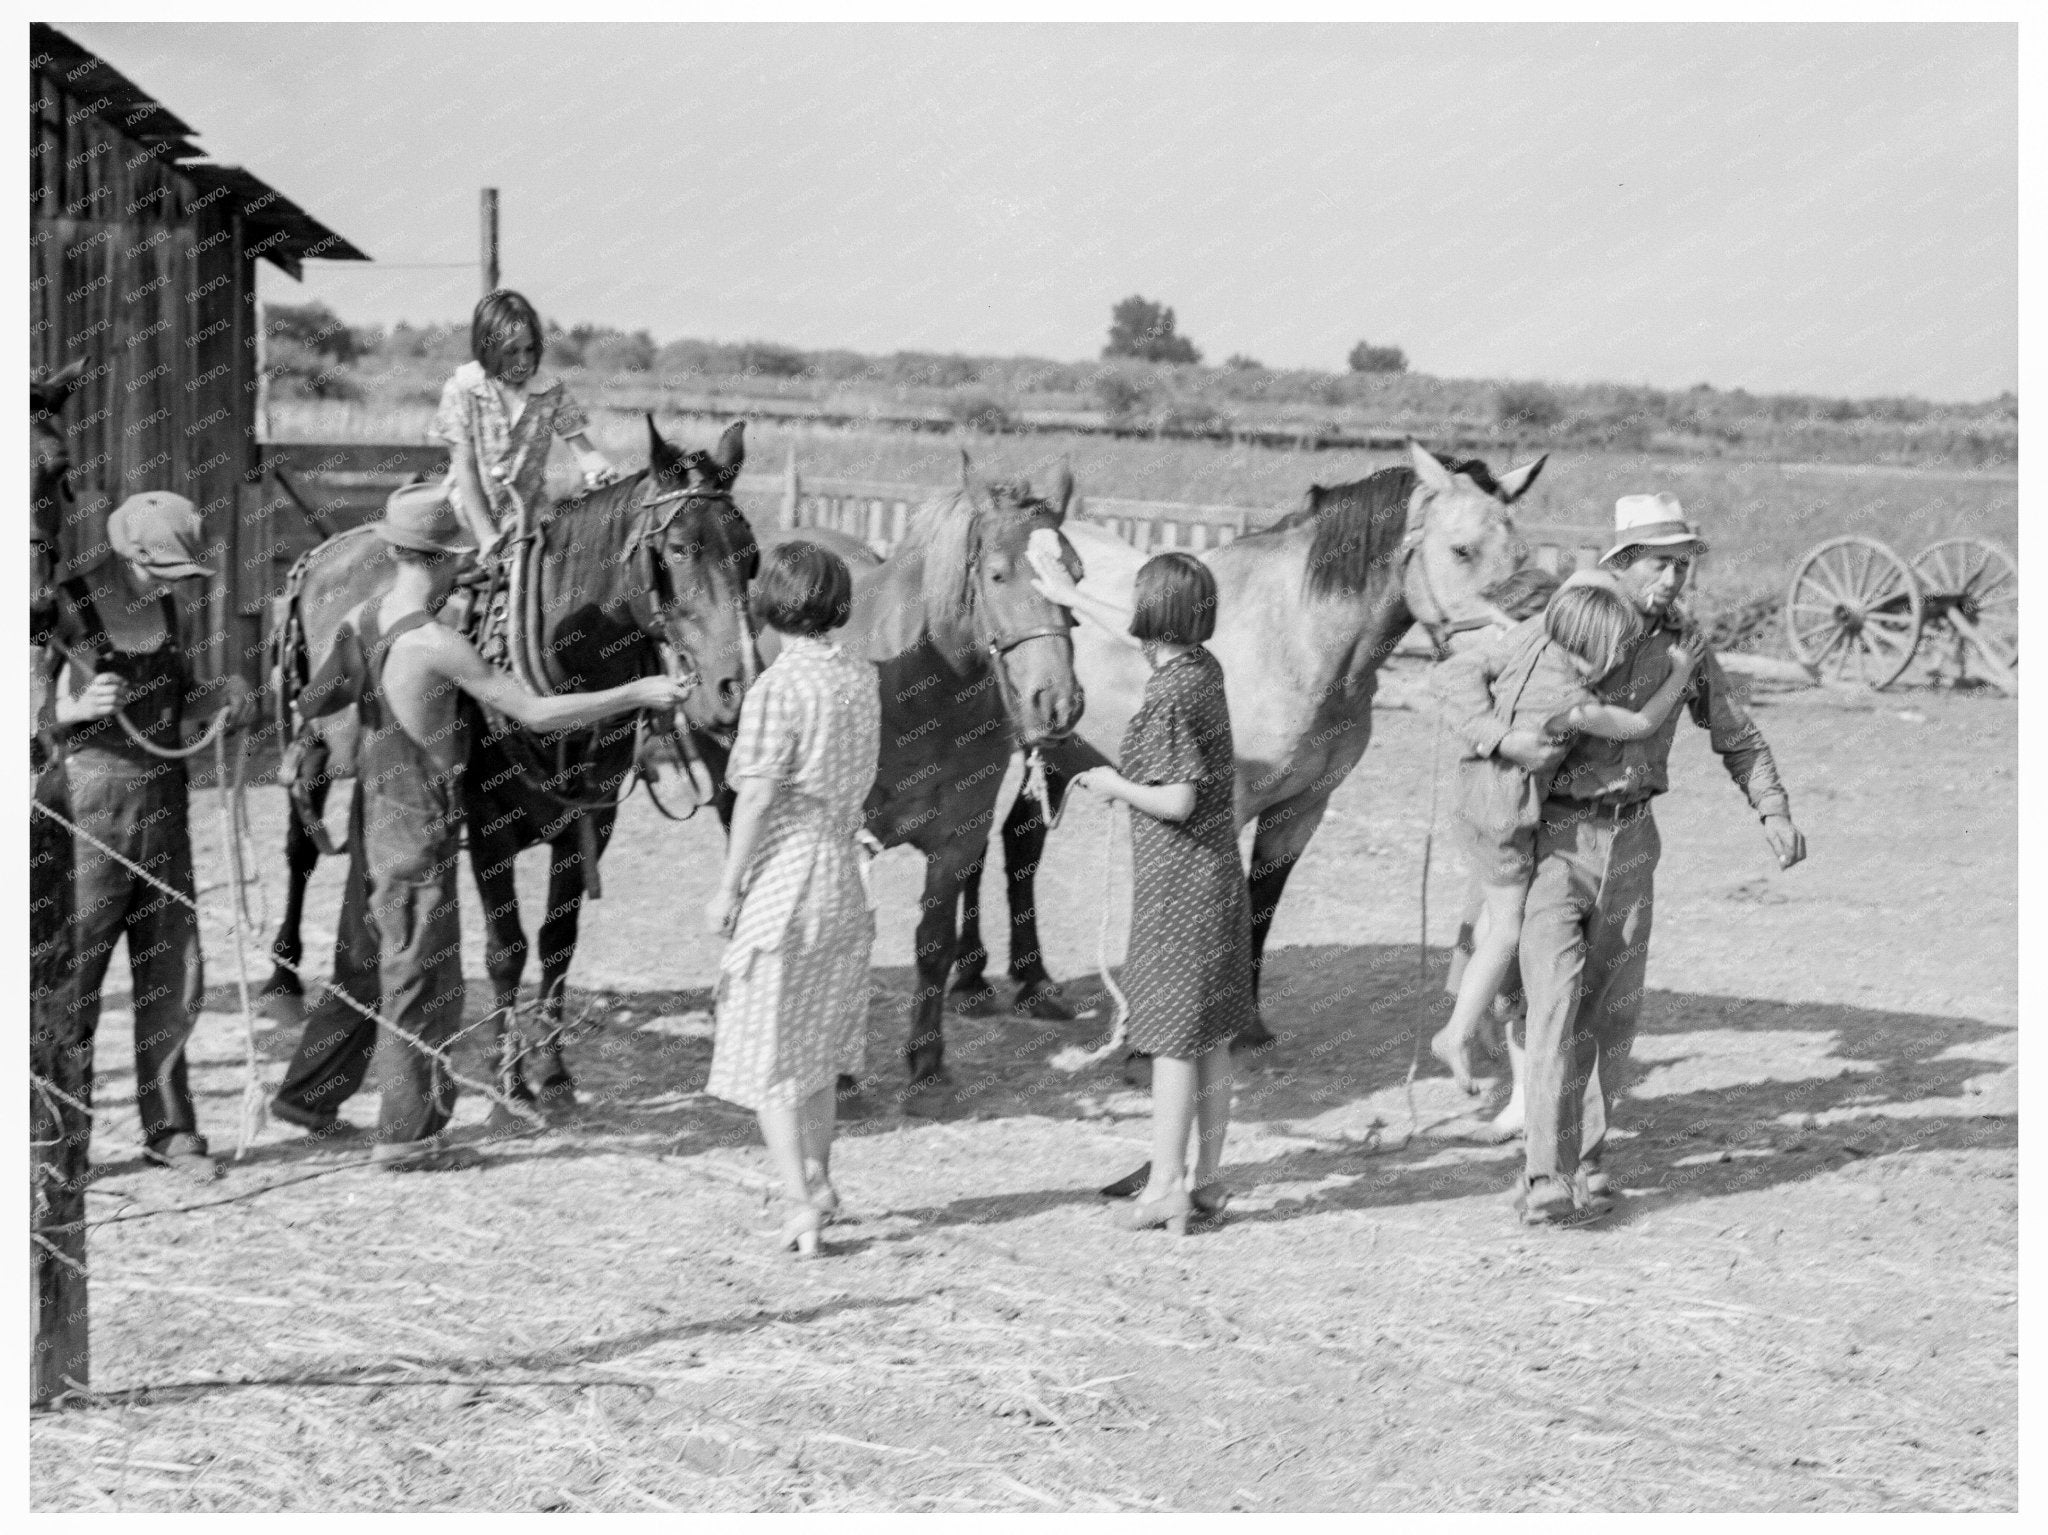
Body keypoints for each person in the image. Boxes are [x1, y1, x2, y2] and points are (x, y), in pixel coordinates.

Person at [270, 483, 693, 1170]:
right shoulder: (439, 643)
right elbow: (533, 711)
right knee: (424, 980)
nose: (463, 572)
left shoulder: (361, 618)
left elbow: (318, 702)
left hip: (372, 809)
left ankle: (307, 1097)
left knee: (360, 963)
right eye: (457, 562)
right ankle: (409, 1138)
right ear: (438, 561)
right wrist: (636, 692)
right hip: (417, 826)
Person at [1438, 494, 1807, 1226]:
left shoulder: (1685, 644)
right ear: (1623, 563)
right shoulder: (1566, 622)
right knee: (1554, 1006)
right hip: (1555, 840)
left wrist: (1773, 808)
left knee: (1611, 1014)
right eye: (1660, 563)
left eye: (1683, 565)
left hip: (1634, 840)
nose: (1672, 579)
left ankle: (1589, 1160)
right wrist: (1499, 739)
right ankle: (1545, 1174)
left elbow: (1735, 731)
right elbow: (1453, 679)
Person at [1028, 546, 1253, 1235]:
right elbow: (1138, 633)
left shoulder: (1168, 696)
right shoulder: (1199, 667)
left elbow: (1179, 798)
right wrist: (1070, 594)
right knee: (1212, 1036)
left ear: (1156, 613)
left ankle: (1164, 1187)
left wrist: (1108, 783)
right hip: (1216, 878)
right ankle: (1208, 1181)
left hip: (1177, 888)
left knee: (1171, 1043)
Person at [47, 492, 258, 1180]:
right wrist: (71, 707)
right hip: (87, 813)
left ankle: (169, 1128)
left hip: (164, 811)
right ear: (130, 554)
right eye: (164, 569)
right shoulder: (61, 608)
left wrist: (218, 697)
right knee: (73, 981)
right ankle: (54, 1138)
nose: (175, 584)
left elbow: (179, 701)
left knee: (173, 973)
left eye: (183, 572)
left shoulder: (166, 609)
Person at [1430, 571, 1707, 1092]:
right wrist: (1679, 674)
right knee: (1510, 924)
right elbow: (1642, 725)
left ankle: (1480, 1008)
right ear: (1603, 650)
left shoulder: (1529, 652)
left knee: (1493, 909)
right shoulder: (1576, 706)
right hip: (1507, 813)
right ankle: (1457, 1030)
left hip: (1472, 798)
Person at [703, 542, 881, 1258]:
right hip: (844, 866)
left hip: (790, 870)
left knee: (772, 1046)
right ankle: (822, 1176)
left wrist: (727, 885)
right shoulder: (860, 677)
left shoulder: (778, 686)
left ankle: (801, 1202)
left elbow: (756, 794)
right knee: (819, 1041)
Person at [432, 288, 618, 560]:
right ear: (488, 348)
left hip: (528, 518)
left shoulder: (550, 390)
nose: (523, 361)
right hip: (466, 520)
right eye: (512, 351)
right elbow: (465, 470)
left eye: (530, 349)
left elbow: (583, 450)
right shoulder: (462, 389)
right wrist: (486, 537)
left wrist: (605, 474)